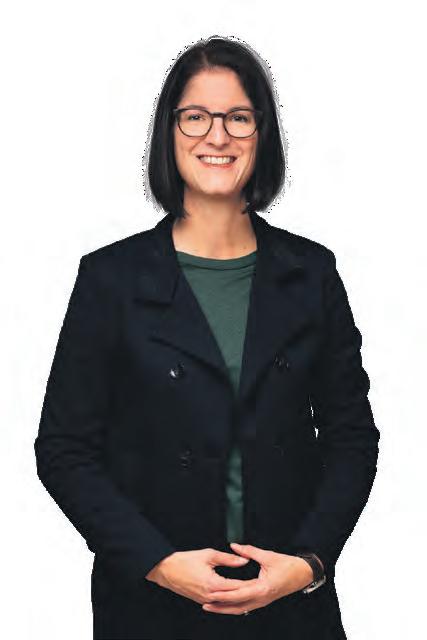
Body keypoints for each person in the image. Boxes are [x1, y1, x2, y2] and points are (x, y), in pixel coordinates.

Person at [34, 36, 380, 639]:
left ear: (262, 134)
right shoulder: (111, 279)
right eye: (195, 117)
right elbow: (64, 450)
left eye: (238, 118)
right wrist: (159, 563)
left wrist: (308, 564)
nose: (217, 136)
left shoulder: (311, 274)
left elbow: (352, 438)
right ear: (169, 133)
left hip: (290, 612)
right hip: (150, 609)